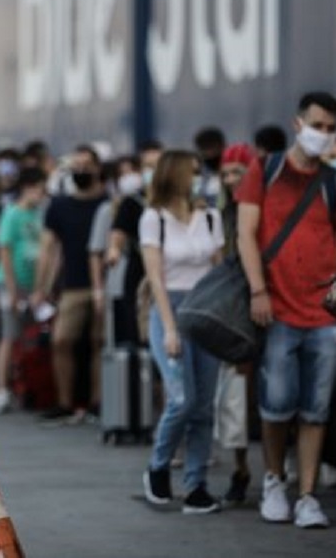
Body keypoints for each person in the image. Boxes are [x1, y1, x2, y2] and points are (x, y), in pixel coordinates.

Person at [237, 91, 336, 529]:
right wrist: (257, 290)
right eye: (318, 125)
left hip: (324, 314)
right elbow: (245, 234)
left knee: (315, 409)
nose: (324, 135)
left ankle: (307, 495)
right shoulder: (264, 171)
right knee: (276, 405)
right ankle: (274, 480)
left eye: (331, 128)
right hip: (279, 310)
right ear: (297, 123)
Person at [139, 150, 225, 514]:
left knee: (204, 405)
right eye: (192, 172)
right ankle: (158, 466)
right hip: (169, 309)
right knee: (181, 399)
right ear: (174, 175)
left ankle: (196, 485)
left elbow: (219, 271)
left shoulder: (210, 217)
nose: (198, 178)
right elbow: (155, 277)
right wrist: (170, 328)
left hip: (206, 310)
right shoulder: (152, 218)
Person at [31, 145, 107, 422]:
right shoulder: (60, 205)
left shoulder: (109, 204)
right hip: (72, 283)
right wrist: (41, 287)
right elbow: (49, 249)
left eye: (86, 166)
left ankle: (99, 401)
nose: (81, 172)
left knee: (101, 342)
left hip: (105, 285)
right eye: (76, 167)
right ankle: (65, 400)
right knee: (61, 340)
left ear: (99, 168)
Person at [213, 143, 255, 504]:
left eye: (236, 173)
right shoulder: (221, 215)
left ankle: (277, 470)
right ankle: (240, 468)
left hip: (268, 305)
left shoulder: (263, 210)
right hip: (233, 313)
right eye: (225, 174)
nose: (229, 180)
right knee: (236, 393)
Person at [0, 166, 47, 414]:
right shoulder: (12, 214)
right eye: (40, 189)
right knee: (8, 335)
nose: (42, 195)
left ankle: (24, 385)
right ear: (28, 188)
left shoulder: (39, 215)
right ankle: (1, 390)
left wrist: (40, 287)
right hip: (10, 282)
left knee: (28, 338)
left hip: (33, 286)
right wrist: (12, 290)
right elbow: (4, 251)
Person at [105, 141, 163, 346]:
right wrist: (114, 251)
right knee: (143, 332)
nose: (154, 171)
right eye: (148, 166)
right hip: (142, 273)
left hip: (172, 272)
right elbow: (118, 233)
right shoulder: (133, 202)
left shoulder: (177, 200)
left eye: (159, 165)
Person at [194, 127, 226, 207]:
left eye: (211, 147)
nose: (208, 153)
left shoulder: (232, 168)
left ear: (222, 146)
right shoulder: (200, 171)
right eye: (204, 148)